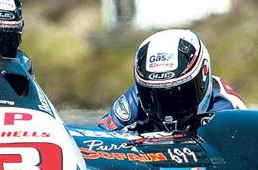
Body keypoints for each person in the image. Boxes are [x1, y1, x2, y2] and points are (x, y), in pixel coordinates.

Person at [98, 29, 245, 133]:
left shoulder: (227, 108)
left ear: (203, 78)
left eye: (181, 94)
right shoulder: (135, 99)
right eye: (156, 96)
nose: (169, 110)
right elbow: (96, 138)